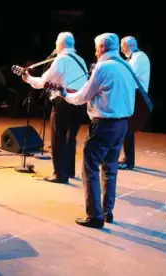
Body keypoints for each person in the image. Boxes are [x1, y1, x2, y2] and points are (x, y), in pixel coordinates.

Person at [61, 33, 136, 228]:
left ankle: (94, 216)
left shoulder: (104, 67)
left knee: (90, 167)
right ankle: (106, 211)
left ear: (102, 48)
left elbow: (83, 96)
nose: (95, 52)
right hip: (122, 125)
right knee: (110, 169)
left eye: (96, 48)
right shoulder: (126, 66)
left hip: (104, 125)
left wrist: (64, 94)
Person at [22, 32, 89, 183]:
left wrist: (28, 79)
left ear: (60, 45)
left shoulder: (61, 60)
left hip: (64, 102)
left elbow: (43, 82)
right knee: (70, 138)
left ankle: (60, 174)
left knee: (58, 137)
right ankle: (69, 171)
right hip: (80, 103)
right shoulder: (81, 60)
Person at [119, 36, 151, 170]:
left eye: (122, 45)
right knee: (127, 128)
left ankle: (129, 161)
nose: (120, 48)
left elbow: (128, 74)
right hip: (133, 94)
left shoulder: (139, 57)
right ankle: (127, 158)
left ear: (128, 46)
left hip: (137, 95)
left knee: (129, 128)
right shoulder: (134, 57)